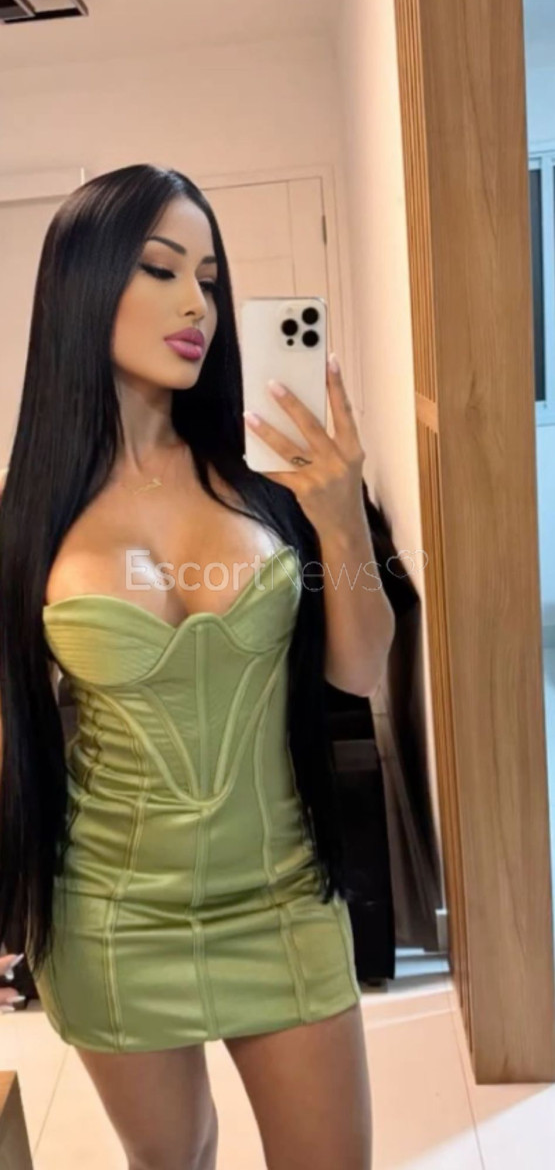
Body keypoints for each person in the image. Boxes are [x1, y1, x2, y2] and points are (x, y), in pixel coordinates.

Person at [0, 164, 394, 1170]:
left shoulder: (266, 479)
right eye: (162, 269)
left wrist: (341, 515)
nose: (197, 306)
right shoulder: (30, 514)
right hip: (111, 918)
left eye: (209, 279)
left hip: (283, 898)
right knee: (173, 1161)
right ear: (85, 284)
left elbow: (360, 670)